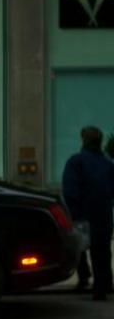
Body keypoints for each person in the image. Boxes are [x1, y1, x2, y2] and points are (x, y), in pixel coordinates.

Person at [62, 125, 114, 301]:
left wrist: (73, 211)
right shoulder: (107, 164)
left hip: (81, 214)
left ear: (83, 140)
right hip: (103, 214)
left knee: (79, 248)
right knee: (102, 251)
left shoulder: (75, 161)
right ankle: (103, 285)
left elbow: (70, 190)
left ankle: (84, 278)